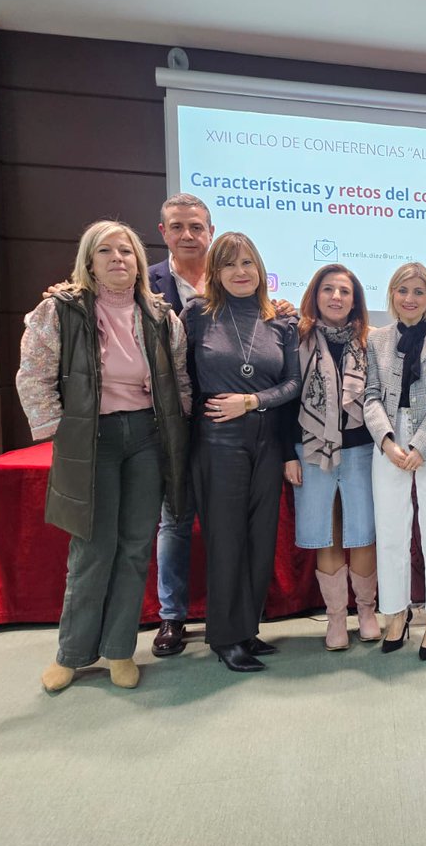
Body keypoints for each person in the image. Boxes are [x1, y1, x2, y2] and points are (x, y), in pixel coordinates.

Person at [16, 220, 190, 692]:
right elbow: (31, 374)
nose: (118, 259)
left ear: (139, 261)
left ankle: (118, 651)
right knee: (92, 547)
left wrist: (179, 426)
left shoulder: (160, 316)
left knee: (135, 547)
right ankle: (71, 654)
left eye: (127, 251)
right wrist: (60, 434)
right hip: (92, 438)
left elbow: (179, 379)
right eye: (106, 252)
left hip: (147, 439)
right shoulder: (61, 311)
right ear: (89, 262)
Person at [181, 232, 301, 672]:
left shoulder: (280, 321)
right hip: (218, 440)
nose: (239, 272)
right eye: (229, 264)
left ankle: (248, 629)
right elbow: (182, 376)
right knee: (225, 538)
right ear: (215, 272)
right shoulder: (197, 315)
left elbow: (293, 385)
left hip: (267, 436)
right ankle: (225, 637)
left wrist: (252, 401)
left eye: (247, 263)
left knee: (260, 538)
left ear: (260, 269)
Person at [363, 262, 426, 661]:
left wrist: (422, 445)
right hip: (388, 440)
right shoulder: (376, 340)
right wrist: (387, 441)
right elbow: (370, 395)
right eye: (403, 290)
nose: (410, 298)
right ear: (391, 295)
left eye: (419, 291)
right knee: (390, 532)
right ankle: (397, 612)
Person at [283, 264, 380, 650]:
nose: (336, 297)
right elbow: (287, 398)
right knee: (328, 532)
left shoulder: (371, 342)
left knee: (363, 532)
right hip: (310, 450)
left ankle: (368, 612)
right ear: (315, 295)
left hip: (362, 449)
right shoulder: (295, 339)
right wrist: (285, 454)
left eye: (344, 291)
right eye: (328, 290)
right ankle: (337, 619)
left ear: (355, 299)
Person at [147, 193, 214, 657]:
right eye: (178, 227)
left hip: (224, 417)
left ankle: (232, 613)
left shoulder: (233, 276)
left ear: (210, 230)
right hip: (168, 419)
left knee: (224, 522)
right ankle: (172, 618)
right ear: (163, 232)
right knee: (173, 521)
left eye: (196, 227)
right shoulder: (141, 280)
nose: (188, 235)